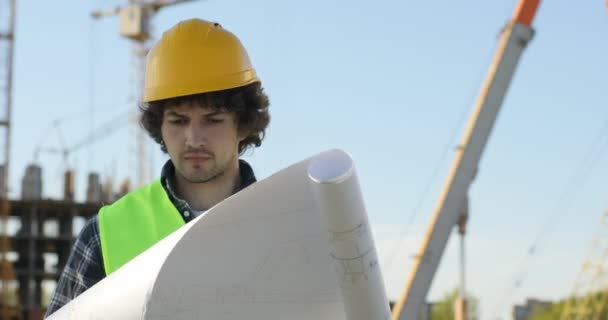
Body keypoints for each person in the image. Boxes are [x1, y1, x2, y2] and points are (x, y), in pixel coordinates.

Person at [45, 18, 270, 317]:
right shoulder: (106, 234)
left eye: (212, 120)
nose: (193, 139)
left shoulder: (287, 222)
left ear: (243, 125)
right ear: (159, 127)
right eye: (178, 121)